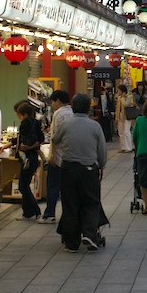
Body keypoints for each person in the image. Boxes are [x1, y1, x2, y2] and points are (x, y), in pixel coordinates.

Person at [51, 93, 107, 253]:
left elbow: (55, 140)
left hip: (68, 168)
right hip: (88, 169)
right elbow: (101, 150)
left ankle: (72, 242)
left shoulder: (66, 125)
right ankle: (89, 234)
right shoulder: (95, 126)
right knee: (91, 202)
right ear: (88, 107)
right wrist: (101, 165)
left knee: (70, 203)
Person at [42, 90, 72, 224]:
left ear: (58, 101)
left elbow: (54, 137)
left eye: (53, 102)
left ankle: (49, 214)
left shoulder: (58, 114)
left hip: (59, 155)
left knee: (53, 186)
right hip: (70, 156)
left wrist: (51, 155)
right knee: (67, 188)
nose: (53, 104)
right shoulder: (72, 112)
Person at [10, 102, 43, 221]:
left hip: (26, 158)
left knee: (23, 186)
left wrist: (25, 147)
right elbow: (41, 139)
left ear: (23, 114)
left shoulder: (25, 123)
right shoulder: (36, 123)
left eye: (18, 115)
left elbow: (22, 140)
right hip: (33, 157)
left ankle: (29, 213)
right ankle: (35, 211)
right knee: (25, 185)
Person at [115, 84, 135, 153]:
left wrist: (123, 98)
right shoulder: (119, 98)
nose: (118, 91)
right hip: (120, 117)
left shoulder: (129, 97)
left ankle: (129, 147)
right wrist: (116, 117)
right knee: (121, 132)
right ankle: (123, 147)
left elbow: (125, 104)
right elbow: (117, 108)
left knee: (126, 132)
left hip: (127, 116)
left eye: (119, 90)